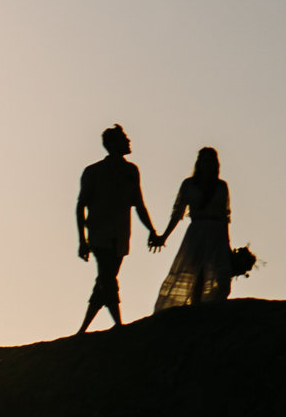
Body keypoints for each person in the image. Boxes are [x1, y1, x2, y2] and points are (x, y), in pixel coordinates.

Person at [75, 124, 162, 335]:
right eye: (124, 139)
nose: (129, 142)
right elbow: (81, 206)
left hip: (121, 234)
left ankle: (83, 329)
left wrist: (151, 230)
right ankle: (118, 324)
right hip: (99, 233)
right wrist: (83, 240)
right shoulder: (93, 172)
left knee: (105, 279)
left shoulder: (131, 171)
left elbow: (139, 204)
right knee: (107, 277)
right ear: (113, 144)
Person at [154, 144, 241, 313]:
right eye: (204, 160)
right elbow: (177, 213)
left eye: (210, 160)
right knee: (194, 270)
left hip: (216, 231)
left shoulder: (221, 186)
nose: (207, 164)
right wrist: (164, 236)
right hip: (197, 231)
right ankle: (195, 306)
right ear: (198, 163)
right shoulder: (188, 185)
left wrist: (227, 243)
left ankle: (209, 307)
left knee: (218, 273)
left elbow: (224, 216)